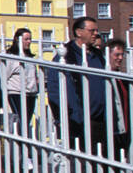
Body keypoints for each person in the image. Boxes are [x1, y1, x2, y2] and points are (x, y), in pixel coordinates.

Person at [45, 17, 108, 154]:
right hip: (78, 121)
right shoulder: (66, 56)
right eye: (92, 30)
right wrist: (64, 116)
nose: (96, 34)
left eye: (97, 30)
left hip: (101, 120)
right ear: (79, 32)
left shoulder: (98, 55)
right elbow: (55, 89)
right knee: (82, 165)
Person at [1, 28, 41, 135]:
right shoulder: (10, 57)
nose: (29, 42)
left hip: (31, 93)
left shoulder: (30, 58)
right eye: (26, 39)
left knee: (26, 121)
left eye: (30, 39)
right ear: (18, 40)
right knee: (20, 119)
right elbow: (3, 76)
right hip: (16, 93)